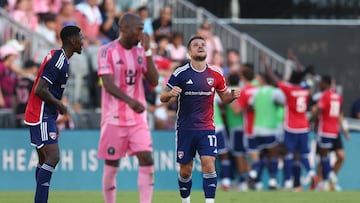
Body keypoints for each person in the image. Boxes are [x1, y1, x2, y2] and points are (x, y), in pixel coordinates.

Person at [160, 36, 240, 203]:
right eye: (196, 45)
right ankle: (186, 201)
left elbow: (223, 96)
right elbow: (162, 97)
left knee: (209, 163)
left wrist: (231, 96)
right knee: (185, 170)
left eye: (203, 44)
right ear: (189, 52)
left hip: (207, 127)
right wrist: (170, 94)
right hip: (185, 129)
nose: (200, 46)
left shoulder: (216, 73)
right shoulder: (180, 73)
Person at [97, 13, 159, 203]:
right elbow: (107, 83)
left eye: (143, 29)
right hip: (113, 118)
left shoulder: (141, 53)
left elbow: (154, 81)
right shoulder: (106, 51)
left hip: (137, 120)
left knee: (147, 158)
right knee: (112, 164)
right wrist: (129, 101)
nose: (142, 34)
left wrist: (148, 53)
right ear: (124, 29)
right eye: (139, 29)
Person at [24, 25, 83, 203]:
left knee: (44, 159)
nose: (82, 42)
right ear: (72, 40)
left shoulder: (62, 60)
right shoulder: (58, 60)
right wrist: (60, 104)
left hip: (46, 114)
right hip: (40, 113)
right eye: (80, 38)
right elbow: (39, 89)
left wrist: (56, 111)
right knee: (53, 156)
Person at [263, 54, 315, 190]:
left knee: (288, 154)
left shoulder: (289, 90)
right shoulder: (305, 90)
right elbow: (301, 76)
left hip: (291, 127)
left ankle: (287, 182)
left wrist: (265, 64)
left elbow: (274, 80)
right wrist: (296, 61)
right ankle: (311, 173)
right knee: (302, 154)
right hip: (304, 126)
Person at [311, 75, 349, 191]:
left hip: (327, 130)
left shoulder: (327, 96)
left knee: (333, 156)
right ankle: (323, 183)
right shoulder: (334, 96)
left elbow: (319, 110)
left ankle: (331, 179)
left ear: (324, 83)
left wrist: (344, 130)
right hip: (329, 129)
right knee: (322, 157)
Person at [14, 60, 38, 128]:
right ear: (32, 68)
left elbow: (14, 99)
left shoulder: (18, 81)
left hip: (19, 112)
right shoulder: (33, 82)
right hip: (29, 113)